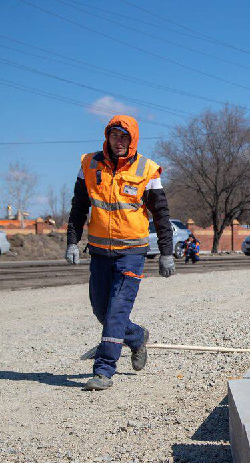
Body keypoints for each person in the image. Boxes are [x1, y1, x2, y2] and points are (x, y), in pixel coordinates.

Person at [65, 115, 175, 391]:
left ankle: (103, 370)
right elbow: (79, 206)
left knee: (117, 311)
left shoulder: (147, 169)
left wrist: (166, 252)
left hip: (132, 253)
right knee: (102, 310)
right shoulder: (89, 164)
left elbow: (161, 215)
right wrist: (72, 241)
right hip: (100, 252)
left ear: (133, 139)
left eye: (125, 137)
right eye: (115, 135)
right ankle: (137, 337)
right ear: (107, 137)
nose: (119, 141)